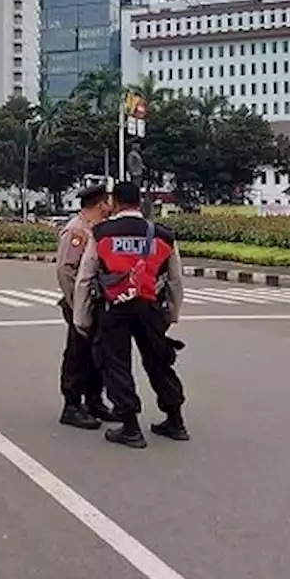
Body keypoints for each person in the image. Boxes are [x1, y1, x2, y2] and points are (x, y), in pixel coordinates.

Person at [73, 181, 188, 449]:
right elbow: (175, 280)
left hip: (115, 308)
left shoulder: (101, 233)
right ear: (140, 202)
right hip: (150, 308)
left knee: (116, 365)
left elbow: (85, 277)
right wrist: (171, 314)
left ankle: (130, 426)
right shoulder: (162, 234)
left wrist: (82, 318)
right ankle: (175, 420)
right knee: (159, 362)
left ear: (114, 203)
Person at [55, 182, 115, 430]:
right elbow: (65, 270)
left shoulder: (97, 229)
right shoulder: (77, 231)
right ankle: (71, 405)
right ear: (100, 204)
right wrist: (76, 303)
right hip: (80, 302)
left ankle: (94, 400)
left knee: (97, 353)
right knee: (78, 353)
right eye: (108, 202)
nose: (111, 206)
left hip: (96, 302)